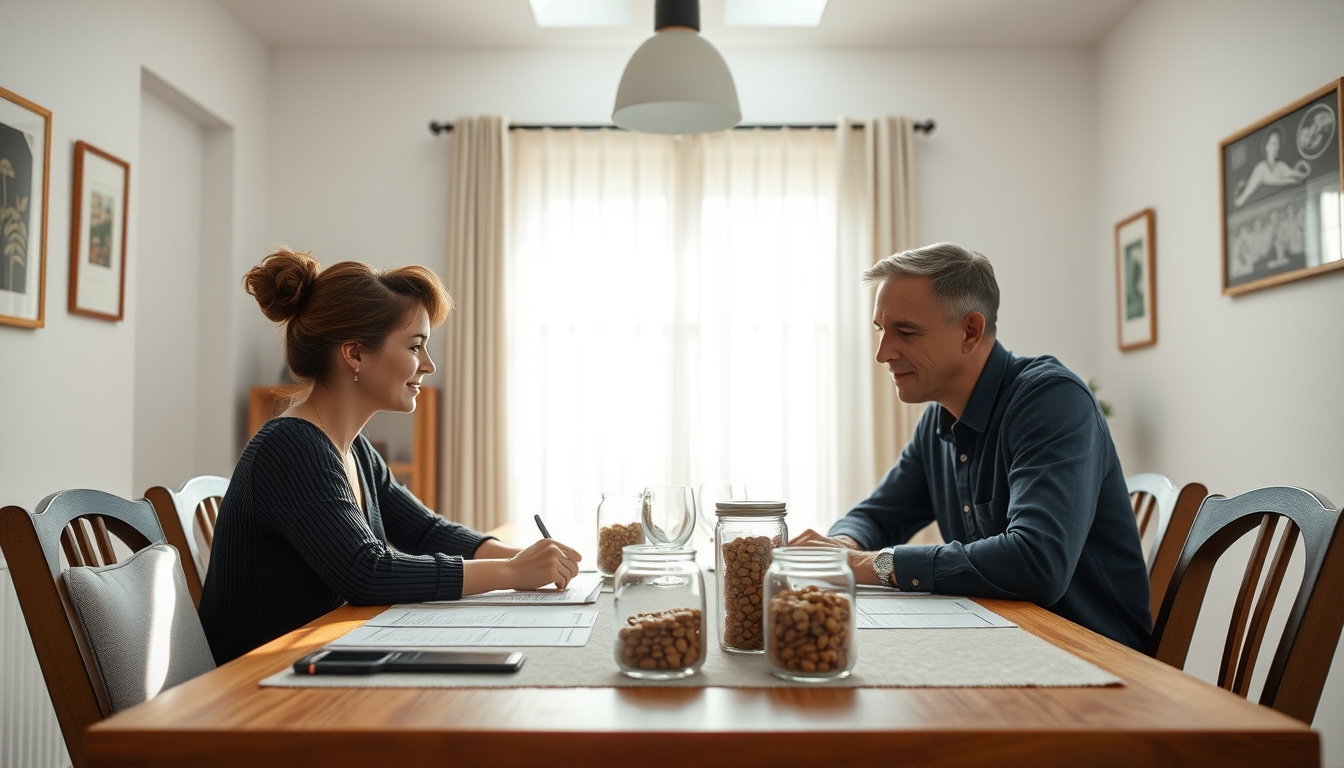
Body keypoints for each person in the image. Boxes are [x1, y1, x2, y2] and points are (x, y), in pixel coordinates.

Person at [198, 248, 582, 664]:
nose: (429, 365)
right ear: (355, 353)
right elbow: (368, 571)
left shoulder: (353, 448)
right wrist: (511, 572)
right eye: (416, 347)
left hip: (317, 660)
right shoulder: (290, 447)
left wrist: (526, 559)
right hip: (255, 682)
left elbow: (426, 532)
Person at [789, 243, 1152, 651]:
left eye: (905, 332)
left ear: (970, 331)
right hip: (1003, 644)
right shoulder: (937, 422)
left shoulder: (1052, 400)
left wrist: (874, 564)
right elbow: (877, 516)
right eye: (881, 330)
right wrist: (842, 547)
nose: (882, 353)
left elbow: (1037, 562)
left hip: (1094, 658)